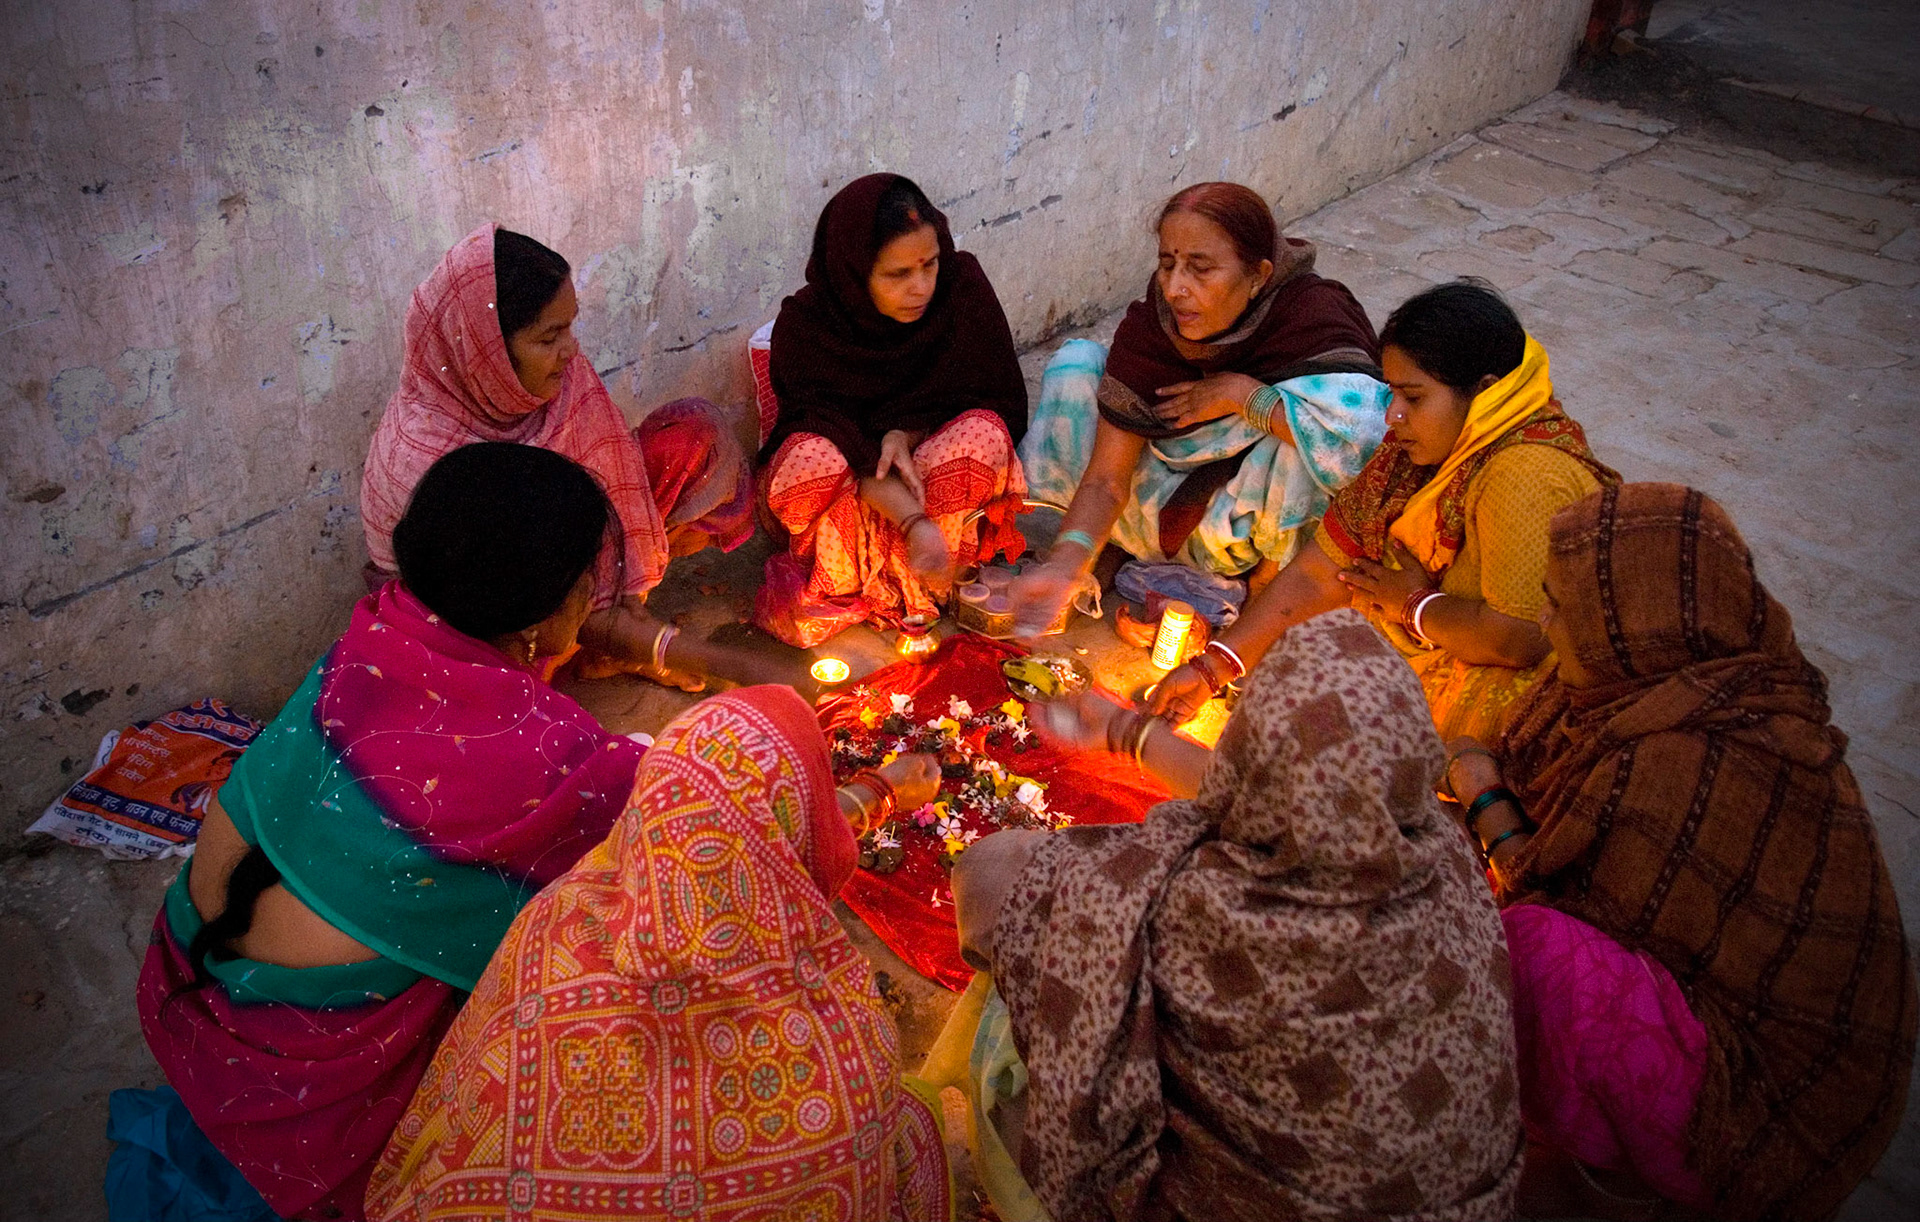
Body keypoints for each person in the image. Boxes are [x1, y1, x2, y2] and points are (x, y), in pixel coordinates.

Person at [129, 444, 667, 1220]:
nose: (594, 595)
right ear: (546, 606)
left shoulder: (369, 644)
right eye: (589, 577)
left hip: (187, 1000)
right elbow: (667, 813)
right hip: (312, 1104)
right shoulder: (550, 758)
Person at [944, 610, 1523, 1222]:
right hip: (1471, 1205)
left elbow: (1005, 890)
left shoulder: (1214, 910)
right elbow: (1296, 791)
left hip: (1246, 1207)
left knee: (1006, 895)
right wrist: (1126, 732)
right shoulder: (1448, 853)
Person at [1438, 484, 1915, 1221]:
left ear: (1631, 616)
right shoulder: (1659, 677)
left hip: (1767, 1106)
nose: (1545, 622)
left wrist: (1483, 795)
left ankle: (1608, 1175)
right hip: (1722, 1021)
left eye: (1560, 607)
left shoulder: (1685, 761)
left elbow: (1549, 906)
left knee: (1533, 953)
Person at [365, 687, 953, 1222]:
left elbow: (736, 828)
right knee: (916, 1119)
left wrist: (876, 791)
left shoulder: (559, 918)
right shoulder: (837, 1067)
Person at [1150, 280, 1618, 741]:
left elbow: (1520, 638)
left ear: (1486, 393)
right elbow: (1322, 571)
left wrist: (1415, 606)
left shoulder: (1525, 471)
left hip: (1532, 685)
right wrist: (1213, 668)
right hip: (1438, 640)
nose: (1392, 415)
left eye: (1414, 397)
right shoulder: (1417, 451)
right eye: (1392, 393)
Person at [361, 224, 756, 689]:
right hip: (488, 621)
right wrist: (693, 654)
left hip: (555, 574)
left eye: (569, 327)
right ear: (484, 352)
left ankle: (613, 643)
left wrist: (628, 592)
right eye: (549, 338)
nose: (570, 350)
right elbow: (514, 591)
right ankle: (589, 654)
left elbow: (613, 476)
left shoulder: (555, 380)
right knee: (501, 704)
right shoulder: (427, 459)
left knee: (695, 435)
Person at [1009, 181, 1389, 635]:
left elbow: (1369, 441)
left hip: (1233, 530)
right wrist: (1064, 564)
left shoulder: (1313, 315)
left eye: (1200, 269)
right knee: (1076, 365)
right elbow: (1107, 481)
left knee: (1304, 442)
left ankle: (1265, 595)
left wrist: (1245, 398)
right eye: (1167, 264)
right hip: (1146, 505)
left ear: (1258, 276)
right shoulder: (1154, 325)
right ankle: (1110, 548)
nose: (1174, 289)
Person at [757, 173, 1029, 645]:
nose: (921, 288)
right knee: (809, 462)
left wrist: (908, 433)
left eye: (929, 265)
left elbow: (997, 399)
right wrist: (912, 520)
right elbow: (828, 431)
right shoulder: (807, 327)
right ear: (853, 271)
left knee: (983, 434)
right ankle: (859, 578)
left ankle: (921, 575)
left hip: (925, 473)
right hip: (854, 496)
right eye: (898, 274)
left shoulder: (961, 290)